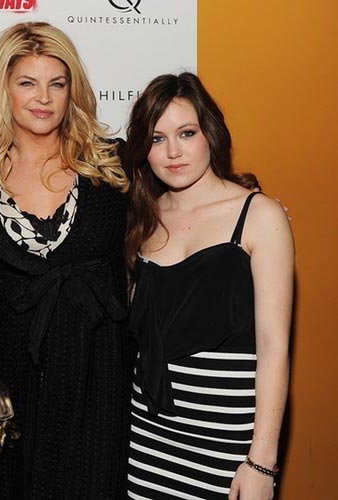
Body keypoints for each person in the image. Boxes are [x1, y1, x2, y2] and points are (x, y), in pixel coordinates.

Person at [0, 21, 133, 499]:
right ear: (4, 89)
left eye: (56, 84)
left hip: (93, 384)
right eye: (27, 82)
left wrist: (243, 209)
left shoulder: (112, 167)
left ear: (72, 91)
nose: (43, 97)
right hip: (4, 393)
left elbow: (180, 209)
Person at [124, 72, 294, 499]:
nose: (174, 152)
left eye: (186, 133)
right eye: (158, 139)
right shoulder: (142, 219)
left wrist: (262, 462)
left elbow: (274, 345)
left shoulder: (259, 215)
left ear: (210, 134)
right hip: (146, 442)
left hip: (227, 449)